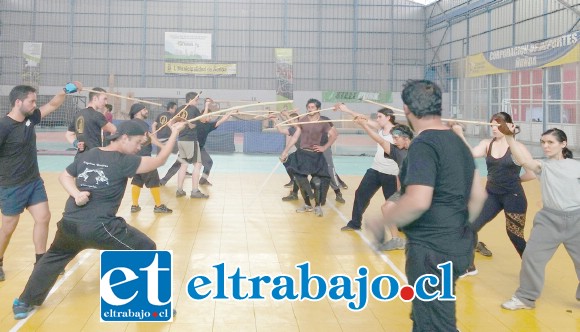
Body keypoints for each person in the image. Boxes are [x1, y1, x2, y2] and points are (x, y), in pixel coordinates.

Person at [12, 119, 186, 320]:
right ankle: (152, 305)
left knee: (52, 259)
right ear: (124, 138)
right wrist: (174, 132)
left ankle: (24, 301)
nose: (139, 148)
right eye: (138, 142)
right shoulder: (124, 161)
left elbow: (64, 177)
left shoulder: (90, 154)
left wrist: (76, 194)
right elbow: (160, 161)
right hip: (101, 227)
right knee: (146, 249)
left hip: (70, 225)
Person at [368, 80, 487, 331]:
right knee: (428, 316)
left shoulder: (424, 144)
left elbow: (418, 200)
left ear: (407, 110)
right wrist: (457, 230)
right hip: (458, 246)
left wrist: (381, 220)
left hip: (431, 249)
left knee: (435, 322)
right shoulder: (457, 142)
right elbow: (478, 196)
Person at [0, 82, 82, 282]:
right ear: (18, 102)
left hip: (33, 182)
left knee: (43, 217)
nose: (35, 104)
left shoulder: (31, 118)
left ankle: (40, 262)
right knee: (8, 228)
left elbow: (52, 105)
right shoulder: (4, 127)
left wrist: (65, 90)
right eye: (31, 101)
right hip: (11, 185)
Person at [500, 127, 580, 310]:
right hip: (549, 221)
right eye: (543, 142)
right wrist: (509, 137)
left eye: (550, 142)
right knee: (531, 257)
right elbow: (522, 160)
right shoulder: (542, 166)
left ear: (563, 144)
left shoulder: (576, 167)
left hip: (577, 220)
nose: (545, 146)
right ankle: (526, 298)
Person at [453, 112, 535, 277]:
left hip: (514, 196)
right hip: (492, 194)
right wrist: (459, 134)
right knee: (469, 227)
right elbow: (469, 155)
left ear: (510, 126)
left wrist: (513, 182)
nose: (494, 129)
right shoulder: (486, 144)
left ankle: (532, 270)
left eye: (498, 125)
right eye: (492, 125)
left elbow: (531, 174)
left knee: (515, 235)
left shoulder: (517, 148)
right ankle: (468, 266)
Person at [337, 105, 400, 234]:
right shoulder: (380, 128)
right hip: (375, 170)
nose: (377, 119)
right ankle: (355, 223)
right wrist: (347, 110)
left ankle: (401, 225)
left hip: (391, 174)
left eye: (380, 117)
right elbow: (362, 119)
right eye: (377, 117)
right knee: (361, 194)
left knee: (392, 203)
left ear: (388, 117)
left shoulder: (397, 132)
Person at [354, 118, 414, 251]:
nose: (394, 140)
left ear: (405, 138)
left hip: (422, 189)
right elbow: (380, 140)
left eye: (396, 138)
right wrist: (365, 126)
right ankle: (396, 240)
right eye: (392, 138)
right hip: (405, 190)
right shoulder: (396, 151)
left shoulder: (420, 148)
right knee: (387, 208)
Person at [280, 98, 335, 217]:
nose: (310, 109)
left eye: (312, 107)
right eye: (308, 107)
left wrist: (324, 147)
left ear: (318, 109)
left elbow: (334, 135)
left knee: (317, 182)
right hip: (302, 154)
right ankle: (307, 204)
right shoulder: (303, 120)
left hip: (316, 155)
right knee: (300, 180)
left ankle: (318, 206)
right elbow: (295, 137)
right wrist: (285, 151)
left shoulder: (324, 122)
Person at [128, 103, 173, 214]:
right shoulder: (141, 124)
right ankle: (158, 206)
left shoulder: (130, 123)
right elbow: (150, 138)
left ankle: (134, 205)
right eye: (144, 109)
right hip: (144, 157)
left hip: (134, 158)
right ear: (138, 111)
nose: (146, 111)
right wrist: (164, 147)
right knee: (154, 180)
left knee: (137, 180)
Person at [195, 99, 236, 186]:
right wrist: (206, 106)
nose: (210, 118)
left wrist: (230, 113)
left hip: (200, 148)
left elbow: (222, 120)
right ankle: (163, 180)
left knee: (209, 162)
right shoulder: (197, 122)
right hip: (191, 146)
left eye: (211, 116)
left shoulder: (209, 125)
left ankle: (203, 180)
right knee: (180, 164)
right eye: (209, 116)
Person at [176, 92, 208, 198]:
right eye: (196, 100)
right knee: (198, 165)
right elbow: (203, 120)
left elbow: (173, 124)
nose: (197, 102)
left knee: (183, 165)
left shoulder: (179, 109)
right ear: (191, 99)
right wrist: (206, 106)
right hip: (190, 140)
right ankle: (195, 191)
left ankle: (179, 190)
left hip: (181, 140)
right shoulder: (193, 109)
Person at [65, 88, 117, 154]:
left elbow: (69, 134)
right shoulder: (97, 115)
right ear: (95, 98)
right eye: (104, 99)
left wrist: (76, 143)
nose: (106, 102)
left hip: (81, 157)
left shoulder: (78, 115)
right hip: (95, 157)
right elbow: (115, 130)